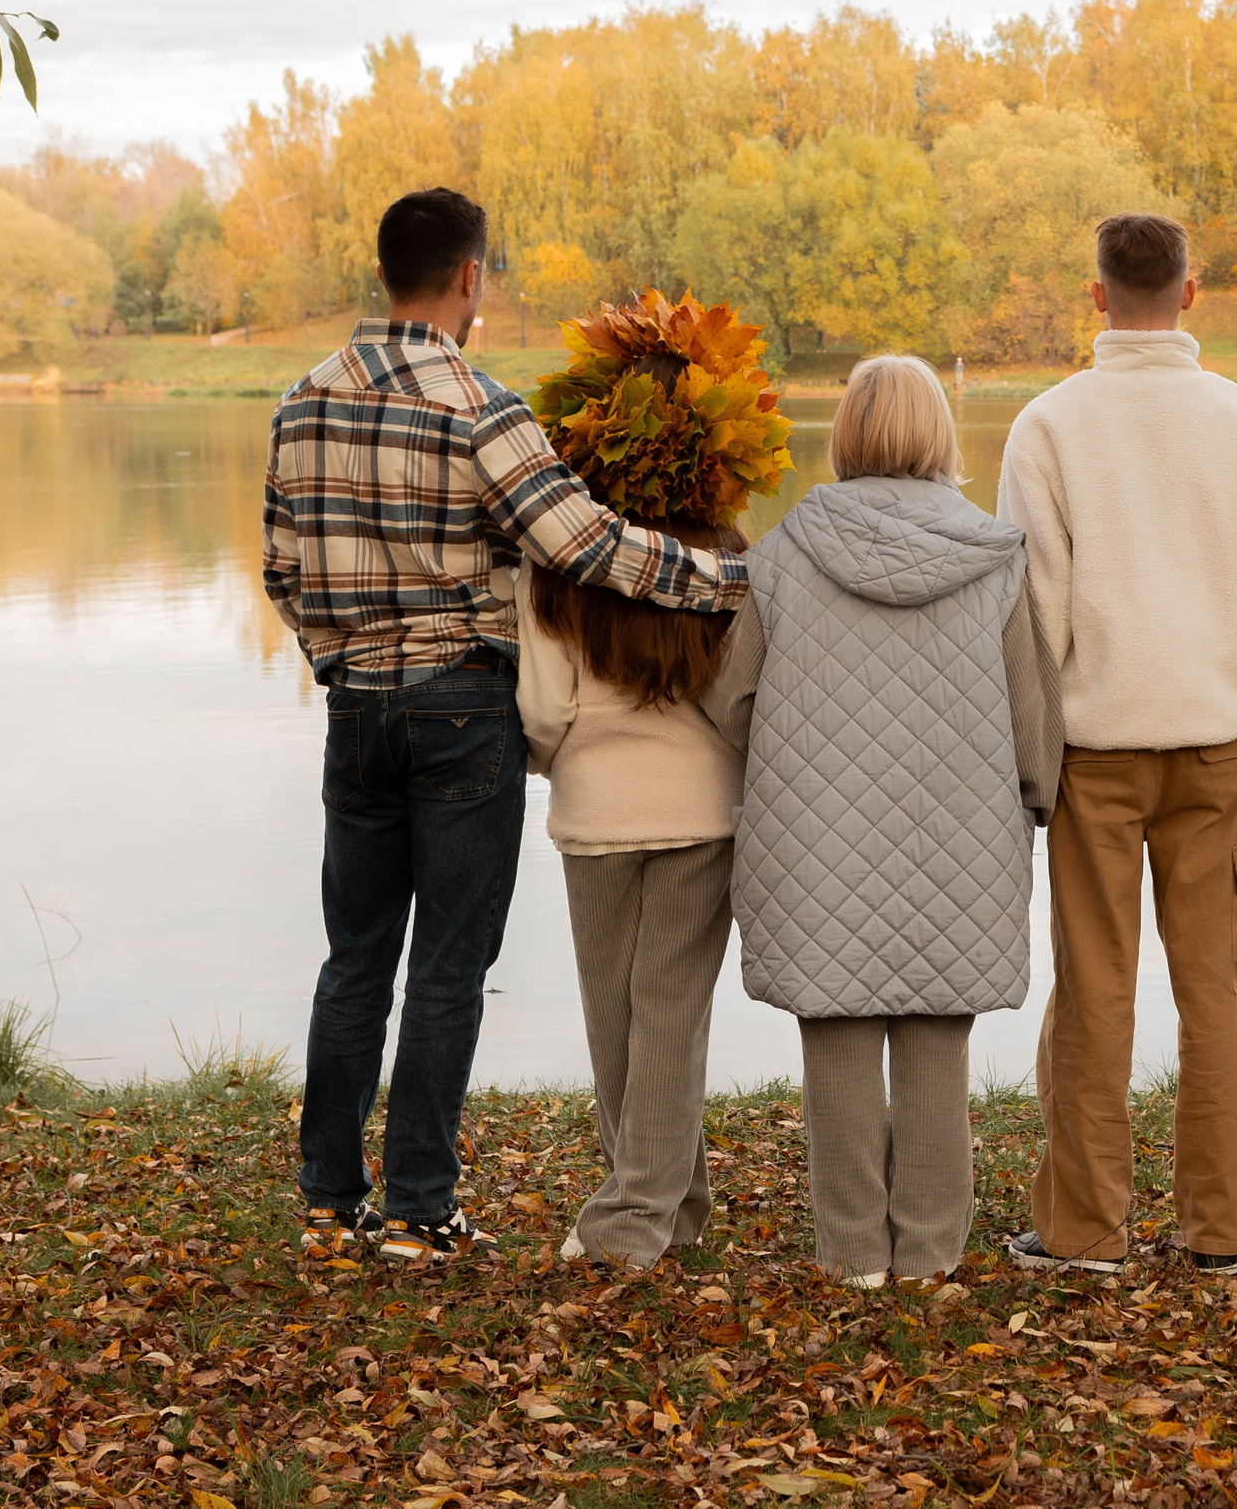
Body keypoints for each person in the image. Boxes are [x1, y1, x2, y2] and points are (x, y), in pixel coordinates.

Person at [263, 188, 746, 1267]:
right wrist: (724, 577)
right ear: (470, 278)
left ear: (386, 271)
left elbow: (281, 571)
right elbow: (585, 545)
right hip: (461, 704)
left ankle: (328, 1193)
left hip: (355, 712)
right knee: (448, 960)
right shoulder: (481, 405)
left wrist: (340, 660)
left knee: (355, 955)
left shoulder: (300, 402)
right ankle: (419, 1206)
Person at [998, 212, 1237, 1277]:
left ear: (1095, 295)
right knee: (1211, 989)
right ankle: (1219, 1225)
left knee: (1096, 987)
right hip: (1215, 744)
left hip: (1095, 746)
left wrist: (1025, 764)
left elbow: (1036, 615)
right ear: (1190, 294)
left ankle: (1086, 1229)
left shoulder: (1047, 425)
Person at [707, 355, 1063, 1287]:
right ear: (940, 435)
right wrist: (1034, 802)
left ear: (849, 434)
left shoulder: (782, 554)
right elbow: (1035, 727)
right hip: (963, 842)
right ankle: (932, 1251)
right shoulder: (996, 554)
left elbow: (730, 700)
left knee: (835, 1039)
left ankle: (855, 1252)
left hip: (816, 843)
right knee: (938, 1041)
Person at [516, 290, 790, 1271]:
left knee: (618, 1019)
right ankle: (671, 1202)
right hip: (704, 807)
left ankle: (632, 1218)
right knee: (669, 1013)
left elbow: (540, 708)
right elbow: (751, 685)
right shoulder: (730, 559)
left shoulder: (553, 567)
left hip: (594, 809)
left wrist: (571, 757)